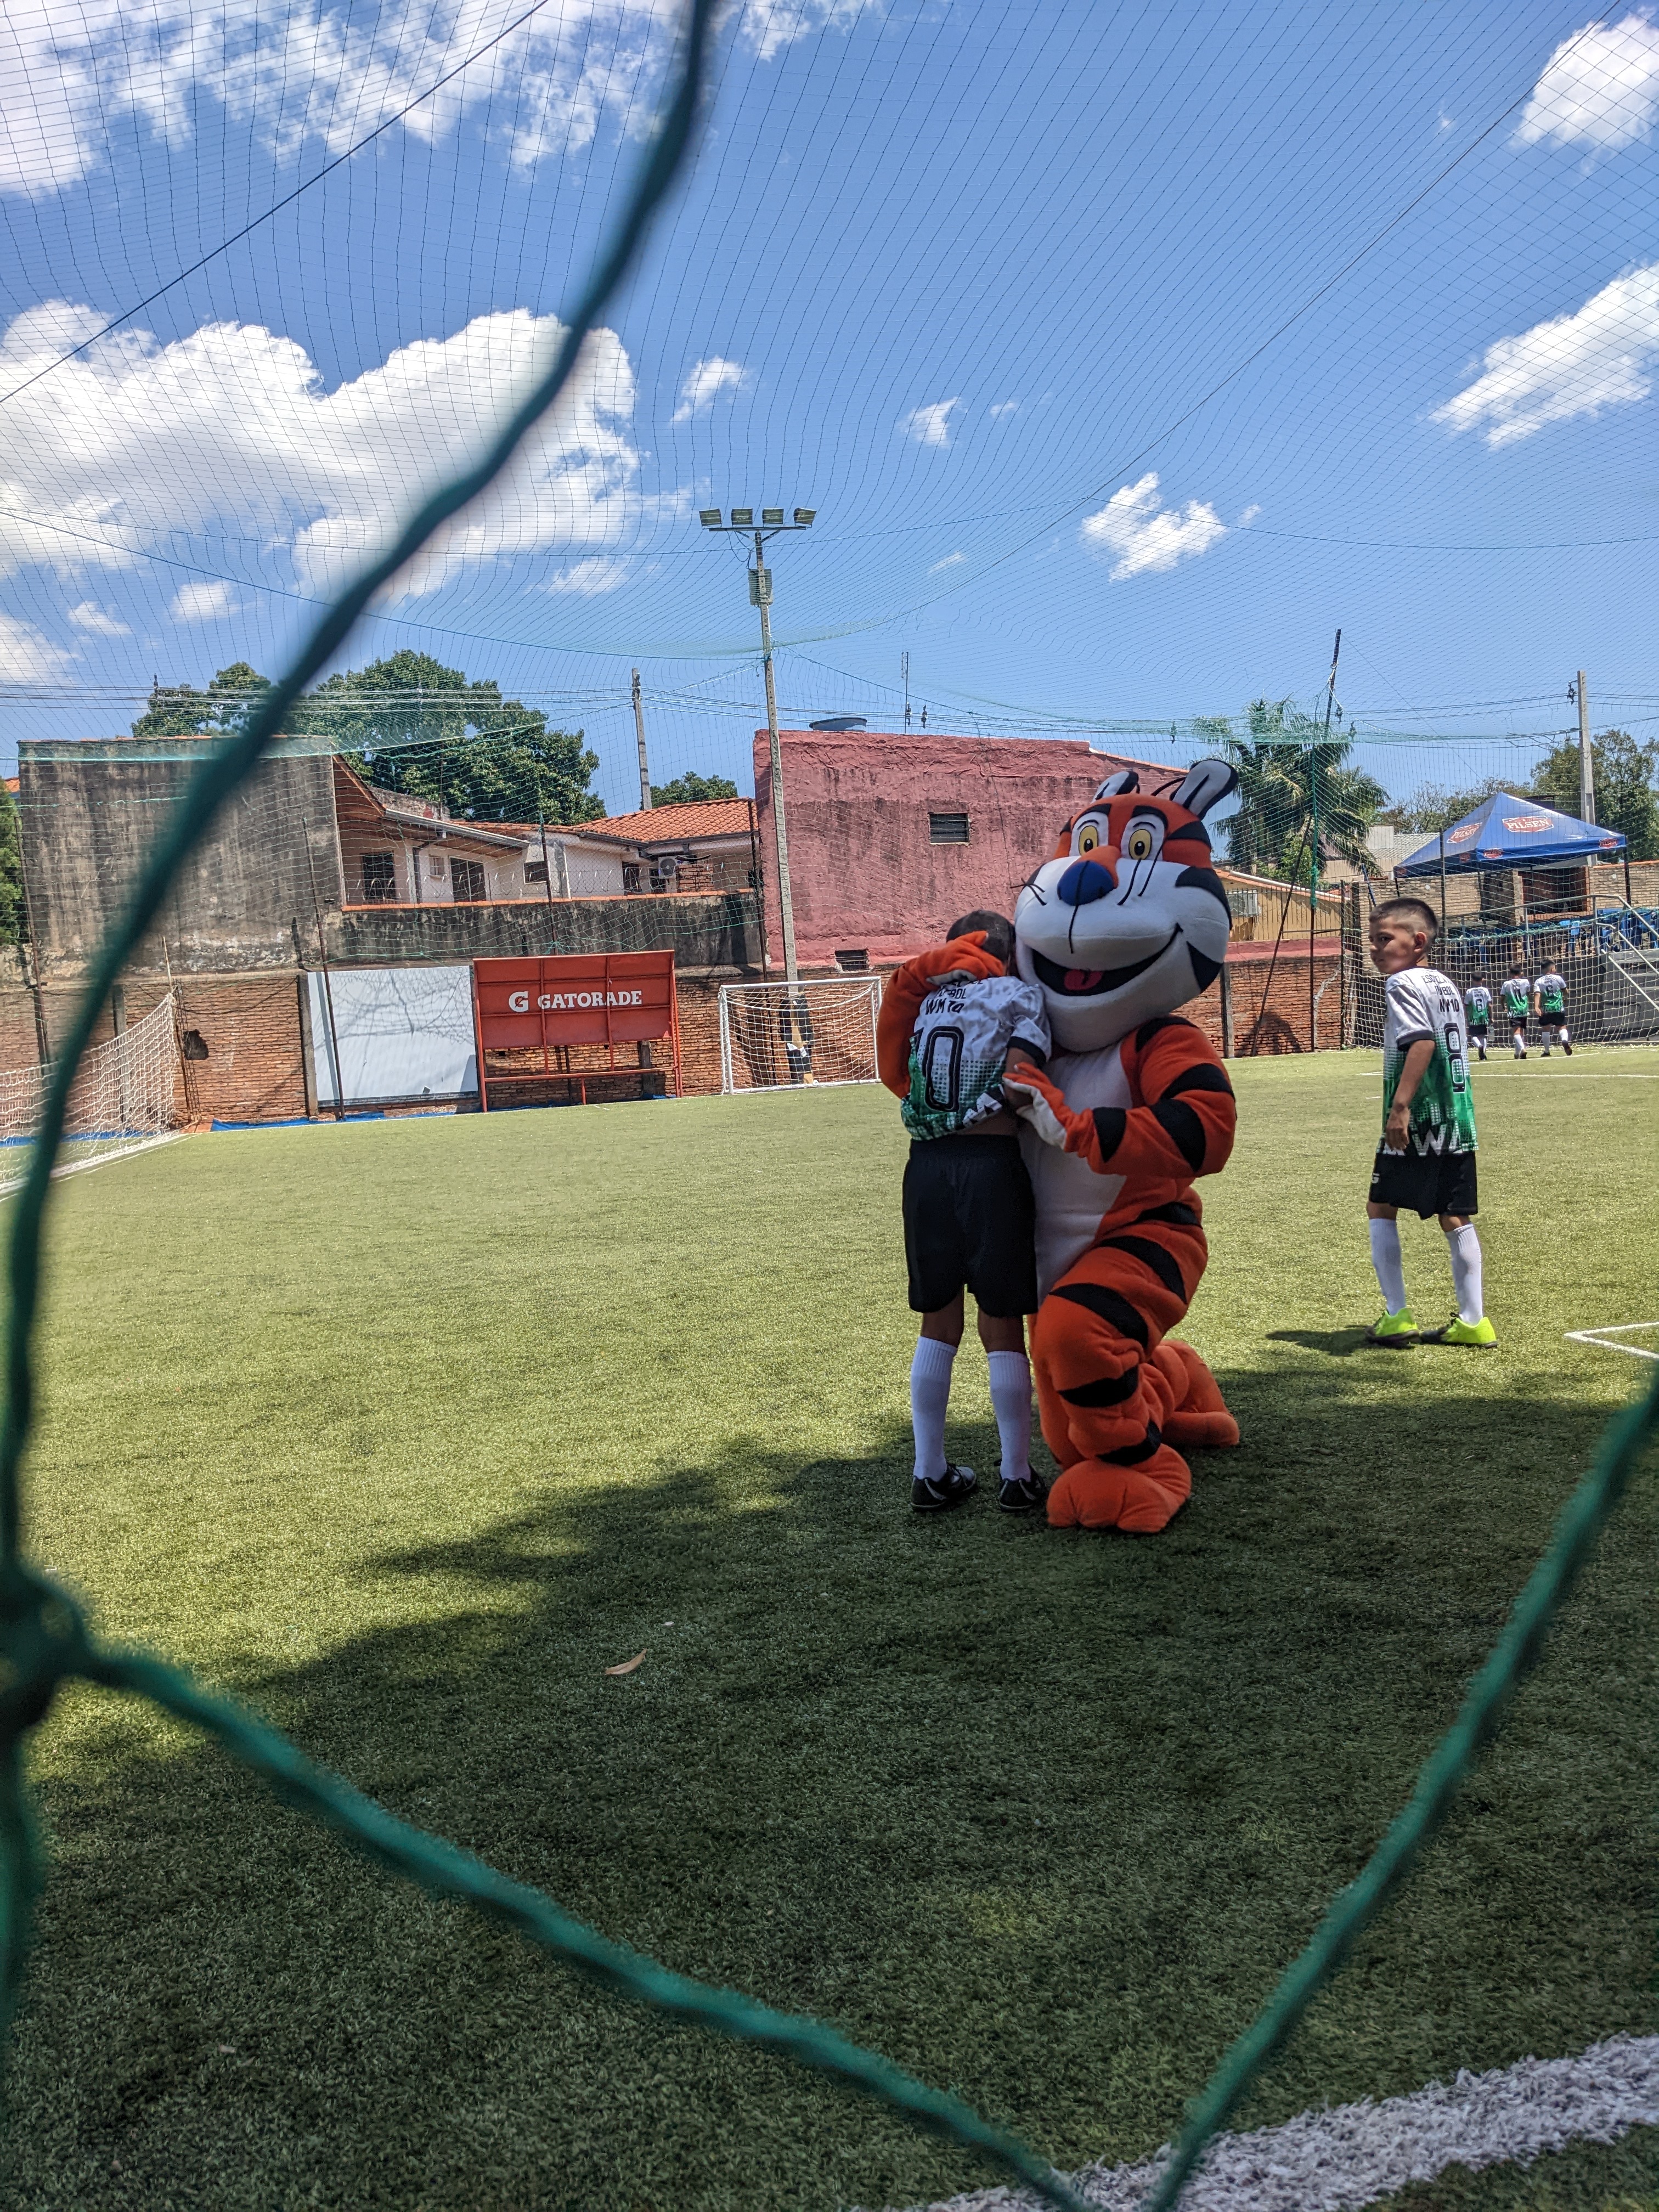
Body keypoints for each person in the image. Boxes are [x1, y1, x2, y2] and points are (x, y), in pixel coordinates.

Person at [876, 910, 1052, 1514]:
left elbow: (898, 1074)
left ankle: (928, 1472)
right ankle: (1017, 1475)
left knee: (937, 1322)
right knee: (1002, 1323)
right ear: (1010, 955)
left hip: (925, 1168)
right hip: (990, 1165)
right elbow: (1021, 1081)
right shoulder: (1019, 997)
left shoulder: (925, 1003)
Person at [1365, 897, 1496, 1348]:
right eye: (1372, 940)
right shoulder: (1444, 983)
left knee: (1381, 1206)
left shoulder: (1401, 983)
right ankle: (1474, 1321)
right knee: (1454, 1214)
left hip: (1421, 1118)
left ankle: (1397, 1316)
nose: (1375, 949)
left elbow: (1421, 1043)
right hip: (1457, 1117)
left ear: (1418, 941)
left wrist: (1399, 1108)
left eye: (1385, 939)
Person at [1533, 963, 1572, 1056]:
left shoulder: (1538, 981)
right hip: (1558, 1008)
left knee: (1546, 1029)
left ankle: (1547, 1051)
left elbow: (1537, 994)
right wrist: (1565, 997)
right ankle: (1564, 1040)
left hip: (1546, 1009)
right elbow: (1565, 991)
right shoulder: (1558, 978)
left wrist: (1536, 1007)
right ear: (1552, 968)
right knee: (1562, 1026)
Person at [1499, 968, 1530, 1059]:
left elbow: (1502, 997)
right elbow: (1528, 993)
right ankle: (1517, 1053)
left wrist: (1503, 1006)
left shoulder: (1507, 984)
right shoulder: (1526, 982)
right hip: (1524, 1009)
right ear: (1521, 973)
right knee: (1521, 1032)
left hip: (1514, 1010)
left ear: (1511, 974)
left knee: (1516, 1032)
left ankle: (1523, 1049)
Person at [1464, 977, 1493, 1061]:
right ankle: (1483, 1055)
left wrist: (1466, 1017)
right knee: (1483, 1035)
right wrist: (1492, 1017)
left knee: (1474, 1036)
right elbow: (1490, 1005)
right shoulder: (1485, 990)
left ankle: (1479, 1046)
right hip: (1483, 1016)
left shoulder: (1469, 991)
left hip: (1474, 1016)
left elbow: (1466, 1006)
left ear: (1472, 980)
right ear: (1482, 980)